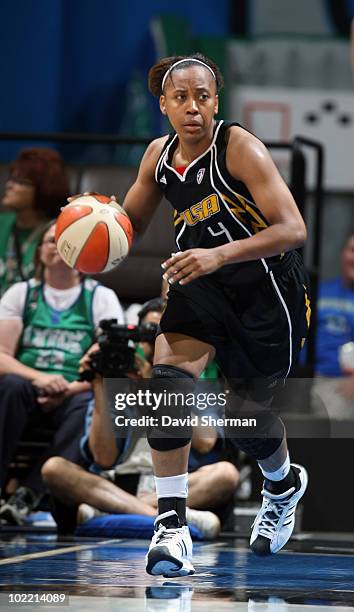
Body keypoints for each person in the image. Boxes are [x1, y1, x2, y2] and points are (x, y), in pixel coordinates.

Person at [71, 53, 310, 575]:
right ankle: (172, 526)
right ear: (164, 104)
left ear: (216, 101)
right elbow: (125, 223)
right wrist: (88, 222)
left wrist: (220, 253)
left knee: (244, 421)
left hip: (264, 291)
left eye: (203, 96)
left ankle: (284, 482)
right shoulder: (158, 156)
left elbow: (293, 229)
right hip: (198, 283)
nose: (193, 107)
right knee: (167, 382)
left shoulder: (240, 147)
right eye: (181, 97)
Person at [41, 299, 239, 539]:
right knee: (54, 469)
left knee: (226, 474)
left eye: (163, 336)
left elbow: (206, 442)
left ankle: (113, 512)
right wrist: (99, 384)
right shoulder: (116, 379)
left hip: (174, 484)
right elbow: (104, 458)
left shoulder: (193, 377)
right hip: (115, 483)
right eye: (149, 337)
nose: (156, 345)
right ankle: (167, 515)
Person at [0, 221, 124, 524]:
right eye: (49, 241)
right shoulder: (21, 293)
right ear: (40, 252)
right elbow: (2, 355)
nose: (56, 246)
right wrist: (40, 379)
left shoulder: (100, 297)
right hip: (28, 384)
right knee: (10, 387)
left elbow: (109, 362)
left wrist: (68, 388)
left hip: (75, 390)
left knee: (89, 405)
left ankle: (29, 492)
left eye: (64, 240)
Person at [0, 147, 69, 296]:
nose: (9, 185)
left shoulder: (60, 233)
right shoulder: (2, 223)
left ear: (42, 188)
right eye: (11, 178)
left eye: (20, 181)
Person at [311, 230, 354, 418]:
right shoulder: (321, 292)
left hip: (342, 383)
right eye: (352, 250)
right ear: (342, 254)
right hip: (315, 378)